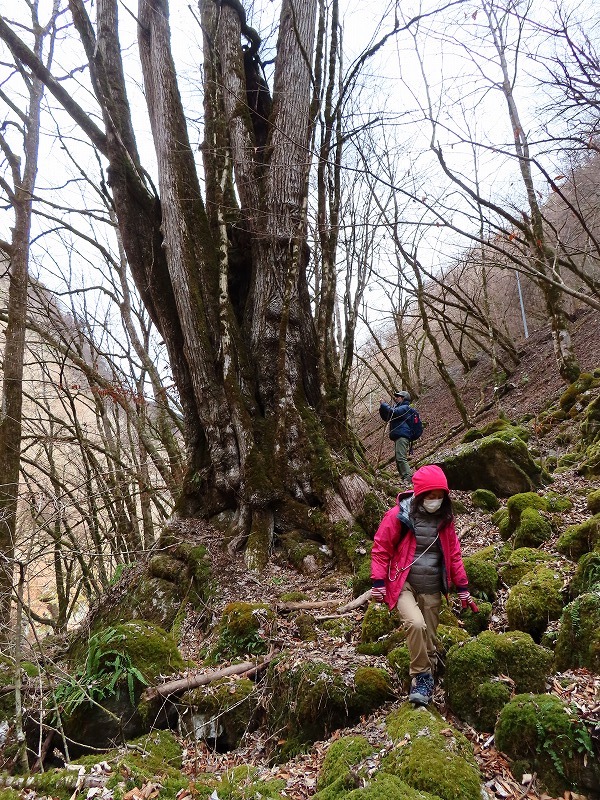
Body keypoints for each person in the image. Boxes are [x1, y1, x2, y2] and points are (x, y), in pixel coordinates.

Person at [370, 464, 479, 706]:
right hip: (404, 583)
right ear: (420, 495)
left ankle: (426, 676)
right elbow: (381, 549)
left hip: (432, 587)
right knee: (415, 624)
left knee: (428, 638)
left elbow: (454, 556)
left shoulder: (446, 520)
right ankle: (421, 677)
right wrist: (378, 582)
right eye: (431, 496)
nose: (436, 501)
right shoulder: (399, 515)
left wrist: (462, 589)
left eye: (440, 497)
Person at [379, 390, 413, 481]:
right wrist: (382, 407)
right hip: (399, 436)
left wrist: (384, 404)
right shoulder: (398, 408)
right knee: (398, 459)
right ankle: (404, 477)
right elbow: (387, 417)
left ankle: (408, 478)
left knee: (401, 457)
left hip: (403, 436)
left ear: (403, 398)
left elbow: (392, 412)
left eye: (398, 396)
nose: (396, 398)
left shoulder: (405, 407)